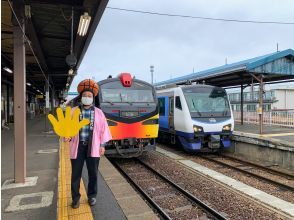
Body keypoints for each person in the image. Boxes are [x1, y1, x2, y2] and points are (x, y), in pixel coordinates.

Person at [64, 79, 112, 209]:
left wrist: (102, 145)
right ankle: (75, 199)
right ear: (81, 97)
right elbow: (66, 129)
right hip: (77, 147)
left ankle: (92, 196)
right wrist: (66, 136)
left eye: (89, 96)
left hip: (93, 147)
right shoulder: (73, 111)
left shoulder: (99, 112)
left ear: (93, 98)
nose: (87, 98)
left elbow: (103, 130)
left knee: (93, 173)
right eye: (85, 95)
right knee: (75, 174)